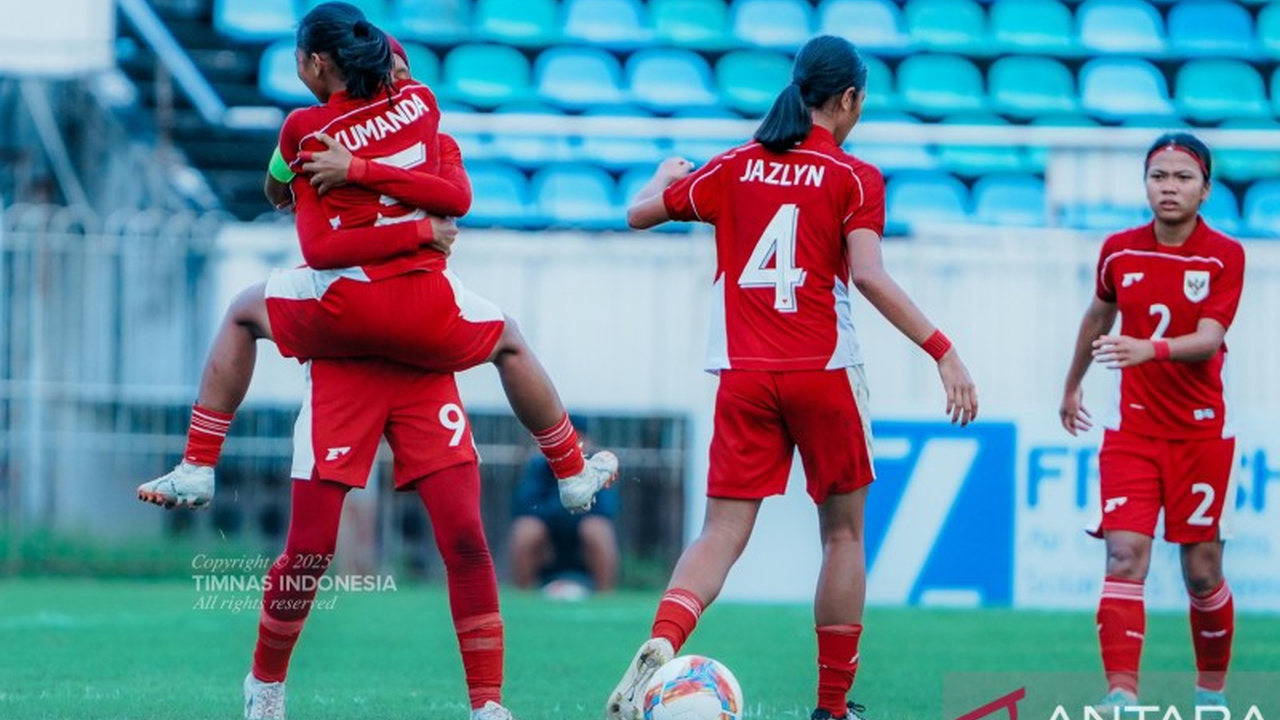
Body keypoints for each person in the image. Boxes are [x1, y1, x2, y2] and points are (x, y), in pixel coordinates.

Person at [605, 35, 978, 720]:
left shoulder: (734, 166)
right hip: (824, 373)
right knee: (842, 536)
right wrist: (943, 350)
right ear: (848, 100)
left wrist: (663, 174)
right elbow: (866, 274)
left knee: (720, 532)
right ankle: (833, 709)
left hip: (744, 374)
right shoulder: (854, 177)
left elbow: (635, 215)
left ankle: (662, 641)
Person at [135, 1, 616, 516]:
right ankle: (570, 468)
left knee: (243, 313)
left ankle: (199, 463)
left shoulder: (309, 131)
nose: (400, 81)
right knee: (508, 344)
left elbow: (288, 207)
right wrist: (416, 226)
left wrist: (347, 169)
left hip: (352, 297)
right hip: (425, 301)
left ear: (318, 62)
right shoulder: (424, 113)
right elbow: (455, 202)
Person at [1059, 132, 1244, 713]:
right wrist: (1071, 385)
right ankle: (1121, 696)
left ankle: (1210, 696)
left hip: (1201, 436)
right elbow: (1097, 315)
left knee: (1202, 569)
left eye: (1182, 177)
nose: (1169, 186)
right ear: (1145, 184)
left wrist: (1151, 349)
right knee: (1124, 556)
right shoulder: (1119, 250)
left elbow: (1211, 337)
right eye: (1158, 176)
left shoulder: (1225, 256)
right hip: (1133, 435)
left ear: (1205, 190)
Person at [508, 416, 619, 596]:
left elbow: (606, 511)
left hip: (581, 535)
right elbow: (525, 507)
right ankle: (523, 593)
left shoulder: (598, 469)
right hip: (547, 537)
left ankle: (605, 594)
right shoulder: (538, 468)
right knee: (526, 530)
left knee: (597, 529)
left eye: (578, 440)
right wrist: (572, 507)